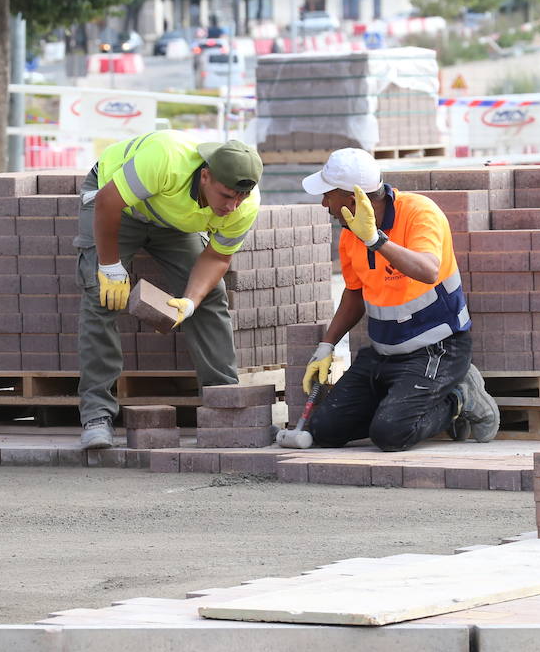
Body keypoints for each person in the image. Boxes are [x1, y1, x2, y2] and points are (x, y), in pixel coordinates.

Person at [73, 131, 263, 450]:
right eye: (226, 195)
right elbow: (108, 202)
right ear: (205, 176)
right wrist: (110, 266)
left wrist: (190, 301)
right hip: (118, 203)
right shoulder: (165, 159)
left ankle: (224, 405)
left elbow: (217, 257)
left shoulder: (244, 205)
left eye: (240, 198)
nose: (232, 206)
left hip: (173, 224)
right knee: (101, 295)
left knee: (210, 297)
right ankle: (97, 416)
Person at [299, 148, 499, 450]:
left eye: (328, 195)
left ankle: (459, 397)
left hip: (437, 350)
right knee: (324, 430)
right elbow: (354, 294)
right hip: (383, 353)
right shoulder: (349, 234)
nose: (324, 203)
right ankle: (397, 404)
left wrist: (375, 240)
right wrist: (327, 346)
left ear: (353, 199)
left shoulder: (419, 212)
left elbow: (429, 269)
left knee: (391, 435)